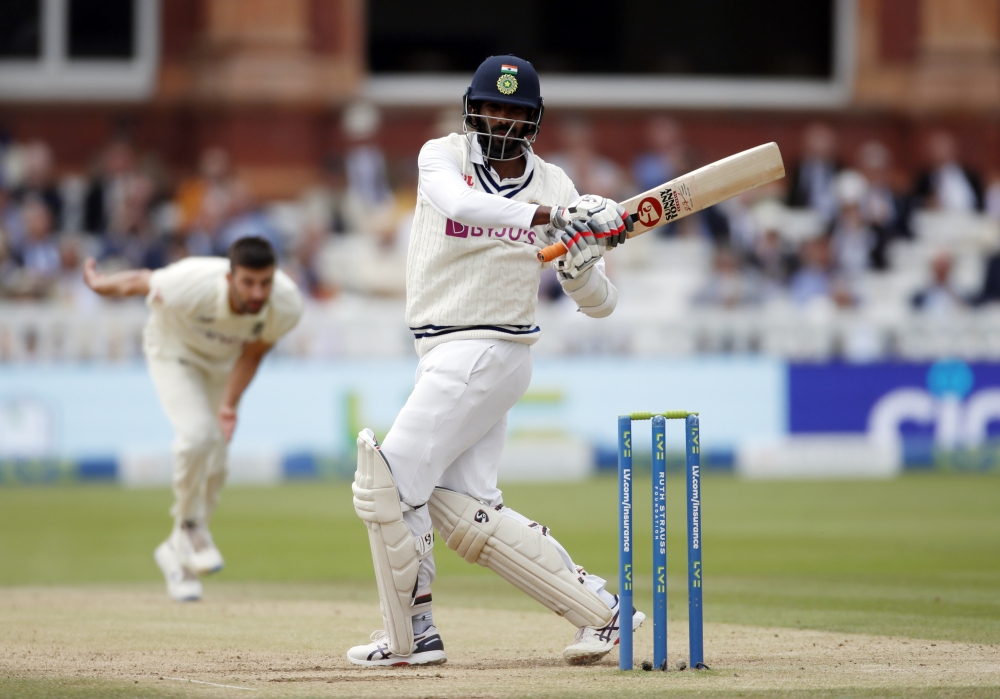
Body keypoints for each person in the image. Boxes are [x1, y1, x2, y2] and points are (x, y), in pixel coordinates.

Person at [346, 55, 639, 668]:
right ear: (470, 109)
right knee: (463, 508)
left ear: (533, 121)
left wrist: (581, 267)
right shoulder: (442, 156)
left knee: (388, 482)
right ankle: (608, 617)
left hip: (490, 348)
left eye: (513, 111)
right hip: (446, 352)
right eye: (490, 107)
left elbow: (602, 304)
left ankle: (411, 637)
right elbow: (458, 206)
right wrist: (554, 218)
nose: (499, 120)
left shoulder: (556, 185)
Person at [81, 237, 304, 601]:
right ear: (230, 277)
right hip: (174, 354)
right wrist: (99, 284)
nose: (258, 292)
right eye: (248, 282)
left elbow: (254, 352)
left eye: (265, 282)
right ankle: (189, 526)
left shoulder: (287, 304)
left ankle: (178, 559)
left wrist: (229, 405)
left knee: (216, 461)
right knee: (198, 436)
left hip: (222, 367)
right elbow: (141, 281)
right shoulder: (193, 283)